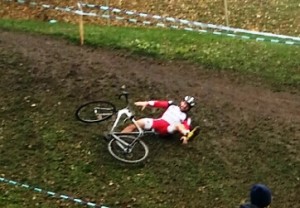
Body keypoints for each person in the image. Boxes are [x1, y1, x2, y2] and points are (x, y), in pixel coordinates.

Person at [121, 95, 199, 144]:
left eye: (187, 106)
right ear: (182, 101)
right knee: (135, 124)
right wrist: (146, 103)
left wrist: (185, 136)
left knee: (178, 125)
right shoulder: (172, 105)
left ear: (189, 108)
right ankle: (118, 138)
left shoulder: (187, 117)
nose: (184, 106)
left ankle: (188, 134)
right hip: (158, 123)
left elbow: (186, 126)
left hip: (168, 129)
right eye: (184, 103)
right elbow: (159, 103)